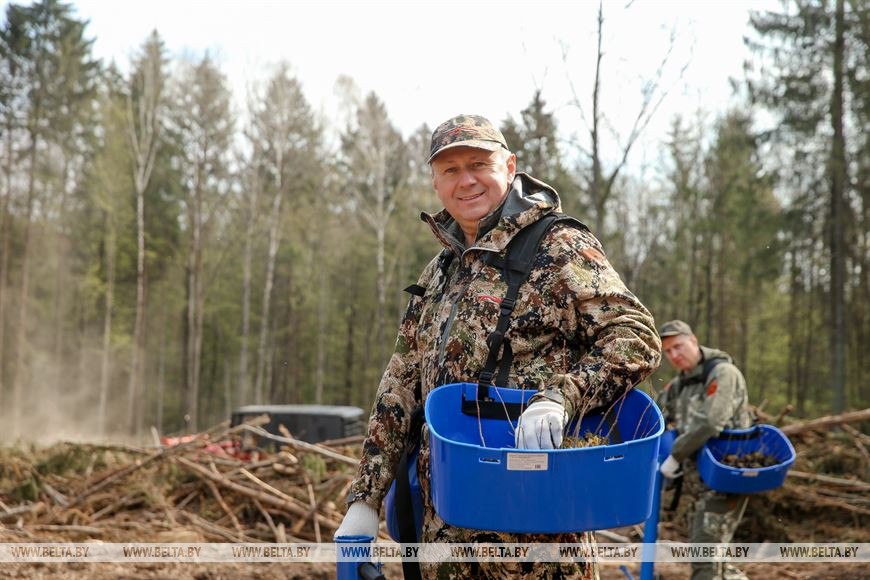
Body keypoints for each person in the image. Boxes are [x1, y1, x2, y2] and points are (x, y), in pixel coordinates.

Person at [335, 113, 661, 579]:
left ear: (509, 167)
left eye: (478, 164)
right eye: (450, 170)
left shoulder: (557, 246)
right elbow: (400, 383)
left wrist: (561, 398)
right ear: (435, 183)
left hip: (535, 530)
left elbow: (635, 334)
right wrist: (366, 498)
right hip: (443, 531)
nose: (465, 180)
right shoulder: (440, 271)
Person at [656, 320, 754, 580]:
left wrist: (675, 456)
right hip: (698, 484)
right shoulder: (680, 385)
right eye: (668, 351)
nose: (674, 355)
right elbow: (655, 418)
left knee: (705, 561)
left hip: (725, 480)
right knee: (714, 561)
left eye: (678, 346)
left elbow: (711, 421)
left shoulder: (722, 373)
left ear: (694, 341)